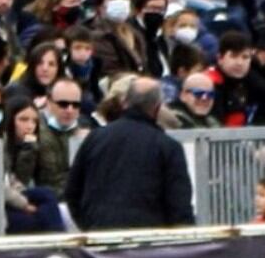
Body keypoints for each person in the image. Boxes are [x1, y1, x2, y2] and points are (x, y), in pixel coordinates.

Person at [63, 78, 196, 231]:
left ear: (125, 102)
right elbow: (180, 207)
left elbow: (72, 191)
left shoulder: (95, 138)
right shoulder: (169, 148)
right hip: (149, 244)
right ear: (157, 108)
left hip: (99, 239)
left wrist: (88, 225)